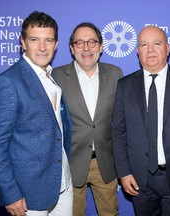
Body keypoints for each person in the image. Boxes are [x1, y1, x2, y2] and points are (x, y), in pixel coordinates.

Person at [112, 26, 170, 216]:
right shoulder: (124, 85)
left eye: (157, 43)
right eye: (144, 45)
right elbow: (118, 131)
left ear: (168, 48)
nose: (150, 49)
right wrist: (124, 172)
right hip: (139, 181)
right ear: (138, 51)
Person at [0, 11, 73, 216]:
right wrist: (10, 193)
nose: (42, 47)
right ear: (23, 42)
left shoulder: (50, 76)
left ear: (56, 44)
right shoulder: (9, 81)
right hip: (29, 193)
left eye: (48, 40)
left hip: (63, 183)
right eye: (34, 40)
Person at [52, 22, 123, 216]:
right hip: (70, 164)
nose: (86, 48)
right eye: (80, 42)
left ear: (101, 46)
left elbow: (121, 121)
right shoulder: (56, 76)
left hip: (106, 163)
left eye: (92, 42)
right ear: (71, 48)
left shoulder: (115, 74)